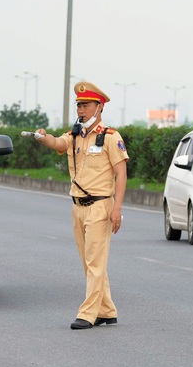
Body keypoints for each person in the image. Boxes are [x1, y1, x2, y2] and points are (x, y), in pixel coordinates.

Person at [33, 81, 129, 330]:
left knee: (95, 262)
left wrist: (116, 209)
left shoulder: (110, 136)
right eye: (78, 105)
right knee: (89, 263)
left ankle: (88, 313)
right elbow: (58, 144)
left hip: (100, 205)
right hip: (78, 206)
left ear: (99, 107)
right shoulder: (76, 134)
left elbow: (121, 173)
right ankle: (107, 310)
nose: (81, 110)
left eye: (85, 105)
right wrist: (44, 138)